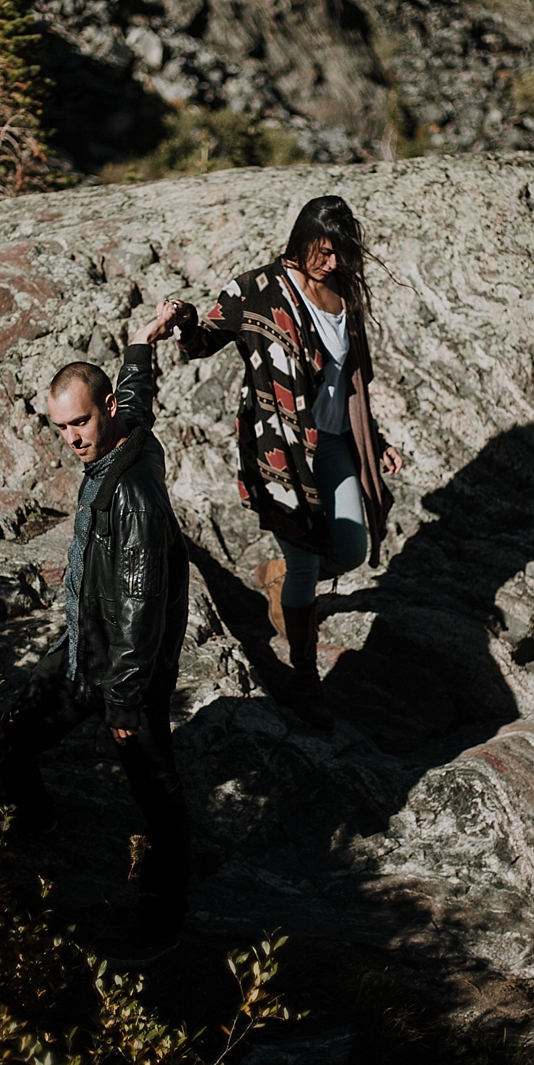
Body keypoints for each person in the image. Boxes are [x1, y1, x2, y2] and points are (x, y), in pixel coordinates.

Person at [0, 300, 191, 967]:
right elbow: (136, 390)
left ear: (101, 409)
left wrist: (125, 701)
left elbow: (141, 603)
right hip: (86, 648)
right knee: (15, 732)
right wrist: (141, 343)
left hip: (118, 669)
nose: (73, 438)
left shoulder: (132, 494)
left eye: (80, 422)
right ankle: (36, 821)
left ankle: (167, 917)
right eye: (62, 428)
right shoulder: (127, 426)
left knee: (156, 798)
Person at [173, 196, 402, 730]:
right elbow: (204, 340)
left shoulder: (343, 294)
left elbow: (350, 378)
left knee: (350, 550)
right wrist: (184, 320)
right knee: (306, 562)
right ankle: (305, 677)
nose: (330, 263)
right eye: (322, 252)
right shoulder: (259, 287)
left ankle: (279, 579)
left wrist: (377, 437)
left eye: (340, 254)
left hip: (336, 438)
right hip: (281, 448)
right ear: (302, 240)